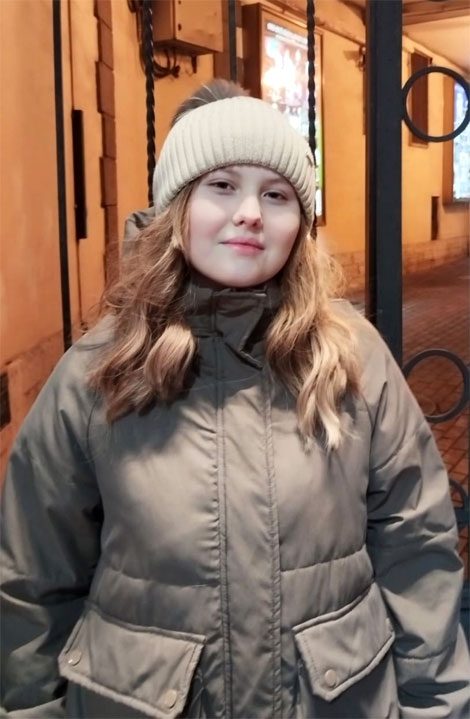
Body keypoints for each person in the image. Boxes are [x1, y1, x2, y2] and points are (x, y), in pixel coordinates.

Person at [1, 79, 469, 719]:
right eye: (222, 185)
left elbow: (416, 543)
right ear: (177, 207)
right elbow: (33, 579)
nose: (250, 212)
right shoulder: (98, 370)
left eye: (276, 194)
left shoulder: (352, 358)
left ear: (299, 224)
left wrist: (435, 706)